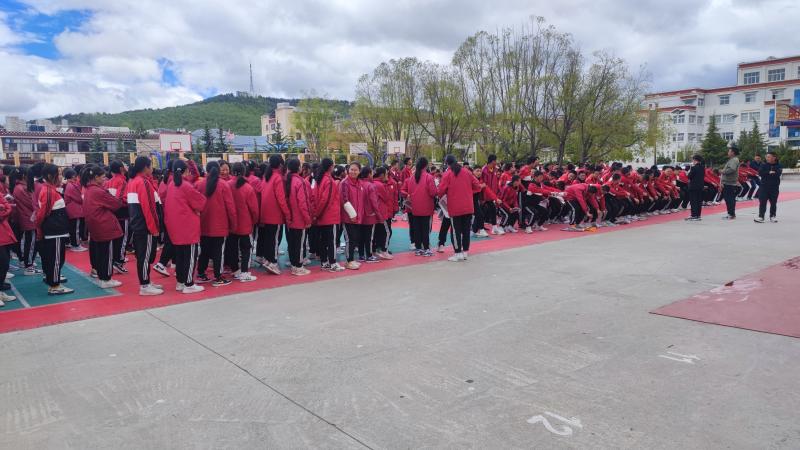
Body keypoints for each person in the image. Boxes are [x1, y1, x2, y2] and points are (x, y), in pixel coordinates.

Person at [164, 160, 206, 294]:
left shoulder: (172, 185)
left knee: (180, 256)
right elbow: (200, 203)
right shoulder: (186, 186)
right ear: (186, 171)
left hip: (175, 226)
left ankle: (181, 282)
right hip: (188, 227)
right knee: (190, 256)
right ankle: (189, 283)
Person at [81, 164, 124, 288]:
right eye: (103, 177)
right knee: (107, 254)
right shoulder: (98, 191)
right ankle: (106, 278)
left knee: (101, 253)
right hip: (104, 225)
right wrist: (112, 194)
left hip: (96, 225)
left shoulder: (89, 189)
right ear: (96, 177)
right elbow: (116, 204)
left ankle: (102, 277)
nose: (105, 179)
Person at [196, 161, 237, 286]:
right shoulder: (223, 185)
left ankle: (201, 273)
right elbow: (230, 207)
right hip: (220, 224)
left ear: (207, 170)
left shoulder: (199, 184)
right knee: (218, 251)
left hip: (203, 223)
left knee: (204, 250)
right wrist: (233, 224)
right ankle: (218, 277)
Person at [34, 163, 73, 295]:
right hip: (54, 232)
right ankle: (55, 285)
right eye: (59, 174)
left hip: (56, 230)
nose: (62, 177)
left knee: (53, 258)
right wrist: (39, 229)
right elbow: (42, 214)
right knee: (56, 259)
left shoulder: (50, 189)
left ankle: (51, 278)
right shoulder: (48, 192)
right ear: (51, 176)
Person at [127, 156, 163, 296]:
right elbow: (149, 208)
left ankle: (146, 281)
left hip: (138, 224)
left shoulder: (133, 181)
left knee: (144, 255)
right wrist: (154, 228)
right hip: (145, 226)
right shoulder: (142, 182)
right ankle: (145, 285)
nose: (152, 168)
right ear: (146, 167)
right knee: (145, 256)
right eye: (151, 165)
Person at [438, 155, 482, 262]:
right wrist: (468, 192)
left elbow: (441, 191)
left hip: (455, 207)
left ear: (447, 163)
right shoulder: (467, 172)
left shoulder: (447, 174)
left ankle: (457, 253)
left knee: (455, 231)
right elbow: (478, 186)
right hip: (468, 206)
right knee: (466, 230)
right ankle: (465, 252)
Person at [224, 162, 259, 282]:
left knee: (232, 248)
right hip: (245, 223)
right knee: (246, 249)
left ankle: (235, 270)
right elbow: (254, 209)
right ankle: (244, 272)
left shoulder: (227, 185)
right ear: (244, 172)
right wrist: (254, 221)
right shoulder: (247, 187)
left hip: (230, 223)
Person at [257, 155, 290, 275]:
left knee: (269, 239)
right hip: (275, 214)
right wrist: (287, 213)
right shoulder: (278, 178)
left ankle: (267, 260)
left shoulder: (267, 176)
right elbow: (281, 198)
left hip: (265, 213)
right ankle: (273, 262)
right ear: (280, 165)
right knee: (274, 240)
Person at [312, 158, 344, 272]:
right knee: (332, 241)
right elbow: (326, 200)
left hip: (322, 216)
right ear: (330, 167)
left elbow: (315, 198)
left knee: (323, 241)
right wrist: (318, 214)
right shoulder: (329, 180)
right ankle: (333, 263)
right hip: (330, 216)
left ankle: (325, 262)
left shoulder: (319, 179)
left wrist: (316, 214)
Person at [401, 157, 436, 257]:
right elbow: (433, 192)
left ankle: (418, 248)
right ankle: (426, 248)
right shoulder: (429, 177)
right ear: (426, 165)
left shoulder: (412, 178)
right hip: (426, 207)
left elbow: (407, 191)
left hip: (414, 207)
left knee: (417, 228)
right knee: (425, 229)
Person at [284, 158, 313, 276]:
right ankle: (298, 266)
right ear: (299, 168)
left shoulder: (287, 180)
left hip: (290, 218)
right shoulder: (300, 181)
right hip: (299, 219)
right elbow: (303, 202)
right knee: (299, 244)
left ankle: (293, 264)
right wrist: (307, 219)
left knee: (292, 243)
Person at [11, 166, 40, 276]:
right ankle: (29, 266)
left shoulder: (19, 187)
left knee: (29, 242)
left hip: (28, 218)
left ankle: (28, 263)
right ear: (24, 176)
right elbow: (32, 203)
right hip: (29, 219)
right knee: (30, 243)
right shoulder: (21, 188)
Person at [62, 168, 88, 252]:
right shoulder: (71, 186)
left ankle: (73, 243)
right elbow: (79, 198)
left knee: (73, 228)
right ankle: (76, 245)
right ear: (73, 176)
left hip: (73, 210)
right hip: (75, 210)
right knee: (76, 229)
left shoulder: (70, 184)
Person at [754, 151, 782, 223]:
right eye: (766, 157)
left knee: (773, 203)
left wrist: (768, 173)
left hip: (774, 187)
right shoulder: (763, 165)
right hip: (764, 187)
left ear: (774, 157)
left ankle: (772, 216)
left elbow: (778, 174)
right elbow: (760, 173)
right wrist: (769, 172)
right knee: (762, 202)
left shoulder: (778, 165)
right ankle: (761, 216)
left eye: (769, 157)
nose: (767, 158)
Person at [0, 192, 17, 306]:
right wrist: (4, 209)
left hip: (4, 233)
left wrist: (3, 208)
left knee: (4, 264)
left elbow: (7, 207)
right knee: (2, 263)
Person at [720, 146, 740, 220]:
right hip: (728, 182)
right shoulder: (732, 160)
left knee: (730, 199)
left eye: (729, 151)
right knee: (729, 199)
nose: (728, 152)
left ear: (733, 153)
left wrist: (723, 171)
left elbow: (732, 169)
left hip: (730, 183)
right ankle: (730, 213)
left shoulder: (734, 160)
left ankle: (731, 214)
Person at [685, 154, 705, 221]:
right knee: (699, 201)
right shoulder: (702, 167)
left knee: (693, 201)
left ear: (695, 160)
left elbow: (689, 176)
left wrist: (688, 172)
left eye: (693, 160)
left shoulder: (693, 168)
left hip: (693, 186)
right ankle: (698, 215)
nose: (692, 161)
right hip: (700, 186)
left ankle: (694, 215)